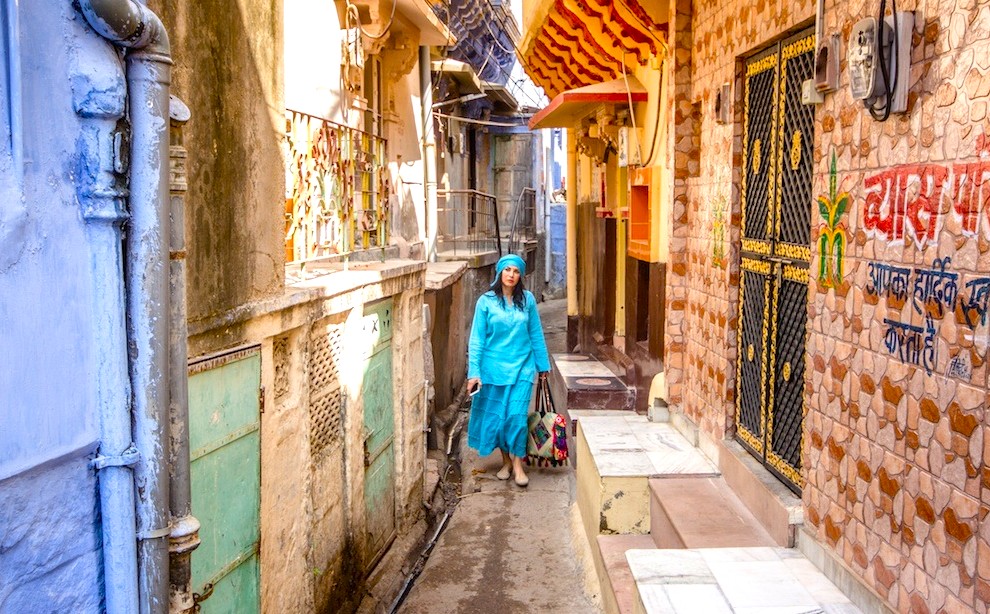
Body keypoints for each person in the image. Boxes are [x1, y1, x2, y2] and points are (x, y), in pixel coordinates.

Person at [466, 254, 550, 487]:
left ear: (520, 275)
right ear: (500, 272)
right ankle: (506, 461)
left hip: (523, 367)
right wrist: (474, 372)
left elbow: (535, 333)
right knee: (499, 420)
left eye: (516, 271)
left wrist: (543, 366)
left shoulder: (528, 300)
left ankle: (518, 465)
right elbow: (477, 339)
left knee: (516, 417)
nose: (511, 275)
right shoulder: (486, 302)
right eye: (507, 270)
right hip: (492, 369)